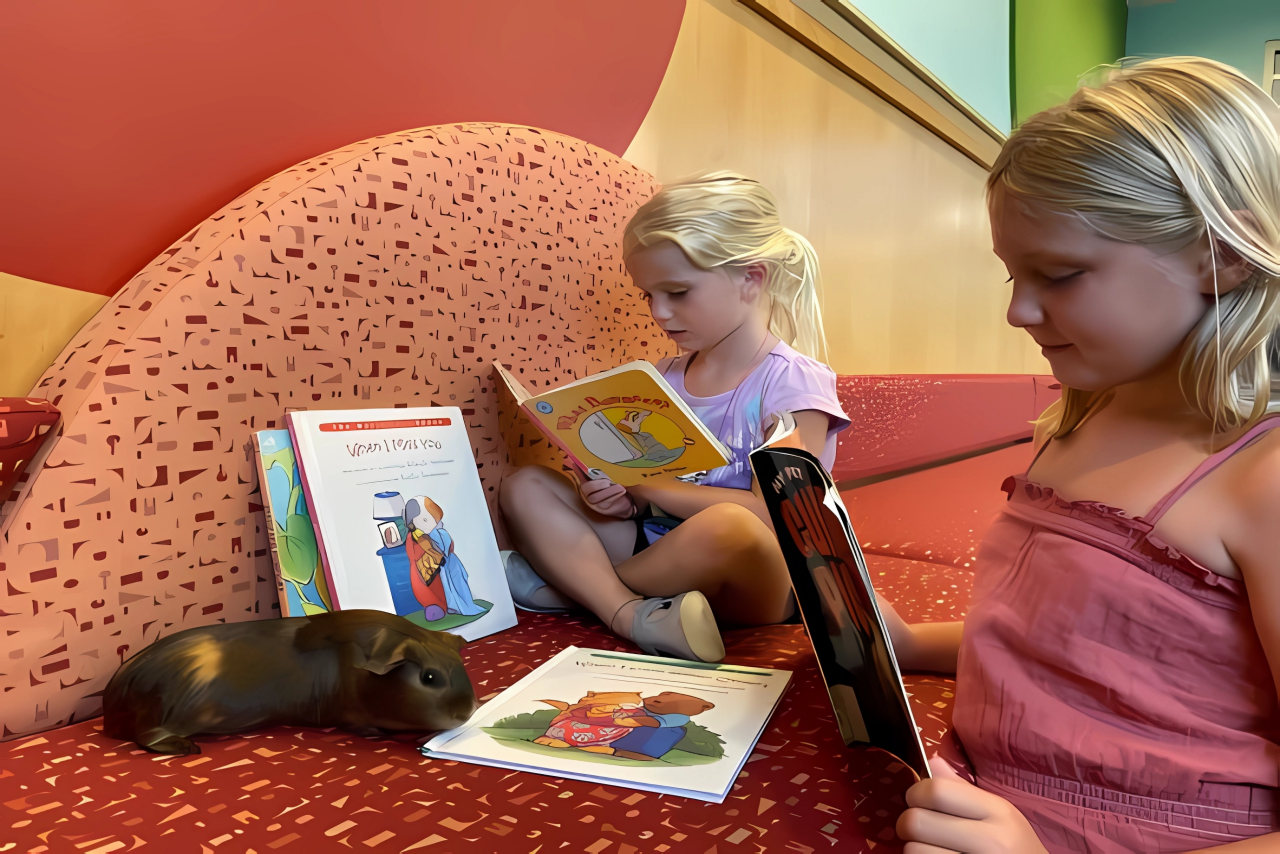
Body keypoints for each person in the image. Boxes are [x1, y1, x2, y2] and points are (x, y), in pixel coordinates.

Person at [885, 57, 1280, 852]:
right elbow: (1082, 641)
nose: (1017, 310)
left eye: (1060, 275)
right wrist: (908, 644)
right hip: (984, 799)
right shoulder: (1083, 417)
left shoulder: (1260, 478)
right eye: (1011, 272)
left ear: (1224, 255)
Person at [499, 172, 850, 663]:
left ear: (751, 279)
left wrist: (648, 489)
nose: (658, 313)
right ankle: (627, 612)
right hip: (652, 551)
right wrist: (617, 498)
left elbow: (773, 516)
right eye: (648, 295)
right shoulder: (661, 376)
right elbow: (641, 500)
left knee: (728, 524)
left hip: (754, 576)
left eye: (678, 293)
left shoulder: (794, 383)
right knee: (526, 486)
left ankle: (579, 587)